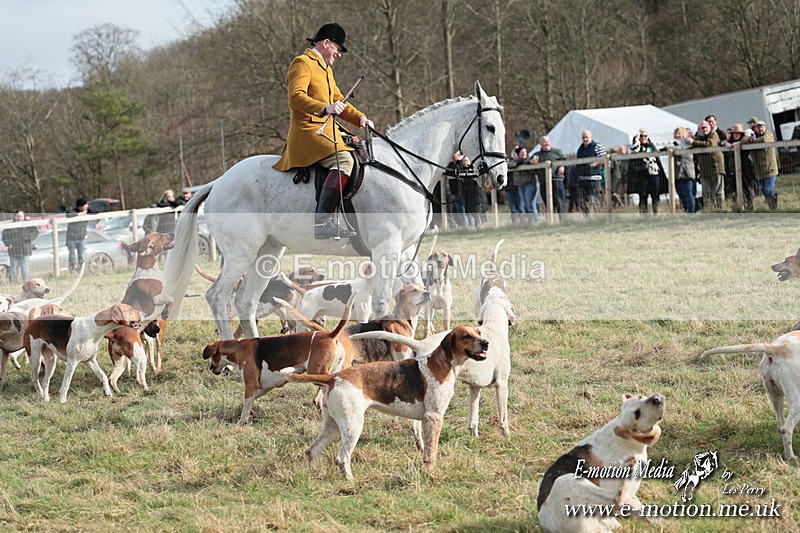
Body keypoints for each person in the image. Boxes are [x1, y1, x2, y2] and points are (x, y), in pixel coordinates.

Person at [272, 23, 374, 240]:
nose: (339, 55)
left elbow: (339, 101)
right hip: (307, 131)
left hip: (326, 130)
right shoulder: (303, 63)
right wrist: (324, 108)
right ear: (326, 43)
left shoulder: (326, 70)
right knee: (344, 161)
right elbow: (296, 97)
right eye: (338, 49)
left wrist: (361, 118)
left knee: (360, 154)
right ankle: (323, 222)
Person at [627, 129, 667, 214]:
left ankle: (657, 214)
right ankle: (644, 216)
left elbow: (656, 155)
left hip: (654, 174)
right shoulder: (637, 146)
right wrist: (636, 139)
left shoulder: (651, 145)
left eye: (645, 136)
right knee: (643, 195)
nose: (644, 138)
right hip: (642, 175)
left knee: (655, 195)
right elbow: (634, 150)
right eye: (641, 136)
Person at [687, 120, 725, 210]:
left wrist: (693, 142)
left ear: (709, 128)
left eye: (706, 127)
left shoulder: (713, 134)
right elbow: (692, 145)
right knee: (706, 192)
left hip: (716, 168)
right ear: (699, 129)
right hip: (704, 169)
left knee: (718, 192)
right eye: (702, 128)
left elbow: (709, 144)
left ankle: (721, 210)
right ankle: (709, 210)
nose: (704, 130)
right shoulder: (698, 138)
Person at [742, 120, 779, 210]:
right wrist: (750, 139)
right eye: (758, 127)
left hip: (770, 168)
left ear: (765, 127)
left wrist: (753, 141)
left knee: (768, 189)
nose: (760, 128)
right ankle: (772, 200)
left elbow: (764, 140)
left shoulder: (769, 135)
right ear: (755, 129)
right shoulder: (753, 136)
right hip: (759, 169)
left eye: (762, 127)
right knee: (762, 189)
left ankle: (773, 207)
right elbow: (743, 141)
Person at [531, 136, 567, 219]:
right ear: (540, 144)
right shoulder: (537, 155)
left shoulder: (557, 152)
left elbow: (565, 159)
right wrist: (531, 161)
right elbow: (527, 161)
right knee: (548, 202)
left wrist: (562, 166)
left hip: (557, 180)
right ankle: (551, 221)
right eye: (543, 141)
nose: (546, 143)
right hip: (543, 182)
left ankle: (563, 221)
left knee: (560, 202)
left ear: (550, 142)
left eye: (547, 141)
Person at [724, 123, 756, 211]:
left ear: (741, 134)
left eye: (738, 133)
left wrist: (737, 143)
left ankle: (750, 207)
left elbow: (749, 139)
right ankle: (739, 206)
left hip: (746, 168)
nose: (736, 135)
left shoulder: (745, 139)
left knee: (747, 188)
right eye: (734, 133)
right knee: (735, 189)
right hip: (734, 169)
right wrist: (726, 143)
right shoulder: (729, 141)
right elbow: (721, 142)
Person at [2, 210, 39, 283]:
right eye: (18, 216)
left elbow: (35, 232)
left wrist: (28, 237)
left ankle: (26, 284)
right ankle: (14, 284)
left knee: (24, 269)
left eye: (21, 216)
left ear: (23, 216)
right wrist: (8, 244)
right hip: (13, 252)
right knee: (14, 270)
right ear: (15, 217)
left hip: (25, 251)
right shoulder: (10, 226)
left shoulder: (28, 225)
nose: (20, 218)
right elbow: (4, 237)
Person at [575, 130, 606, 214]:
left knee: (594, 199)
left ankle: (598, 216)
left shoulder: (597, 146)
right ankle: (587, 218)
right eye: (583, 137)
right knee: (583, 200)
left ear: (591, 137)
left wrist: (595, 164)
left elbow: (604, 159)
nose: (585, 139)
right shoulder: (580, 149)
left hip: (594, 178)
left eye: (586, 137)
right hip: (582, 178)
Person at [509, 145, 539, 224]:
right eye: (522, 152)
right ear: (518, 154)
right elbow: (511, 165)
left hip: (530, 184)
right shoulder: (515, 161)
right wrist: (520, 161)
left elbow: (528, 161)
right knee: (526, 205)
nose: (524, 153)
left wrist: (524, 161)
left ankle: (535, 222)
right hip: (520, 185)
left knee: (531, 205)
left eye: (525, 152)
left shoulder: (530, 159)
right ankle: (530, 222)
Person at [672, 127, 696, 213]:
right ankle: (686, 211)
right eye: (676, 133)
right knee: (681, 195)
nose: (678, 135)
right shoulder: (674, 144)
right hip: (678, 174)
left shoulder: (687, 143)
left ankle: (692, 212)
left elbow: (681, 151)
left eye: (680, 133)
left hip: (687, 173)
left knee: (688, 194)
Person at [66, 197, 90, 273]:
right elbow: (68, 214)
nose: (87, 206)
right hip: (71, 239)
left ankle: (81, 271)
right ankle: (72, 271)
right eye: (85, 204)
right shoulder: (72, 211)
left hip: (81, 239)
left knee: (82, 257)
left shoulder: (88, 211)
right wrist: (79, 214)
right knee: (72, 257)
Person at [505, 146, 525, 224]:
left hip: (518, 186)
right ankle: (515, 224)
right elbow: (510, 165)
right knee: (513, 207)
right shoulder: (508, 161)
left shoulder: (522, 160)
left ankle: (523, 223)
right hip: (510, 187)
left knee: (521, 207)